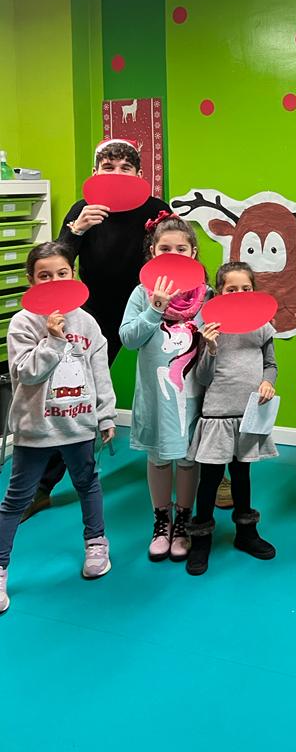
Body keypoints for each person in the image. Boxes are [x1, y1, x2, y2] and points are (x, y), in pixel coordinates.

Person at [23, 139, 169, 520]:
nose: (117, 174)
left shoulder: (155, 209)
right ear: (95, 173)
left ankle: (211, 471)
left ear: (140, 174)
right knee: (75, 394)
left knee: (183, 384)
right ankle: (41, 488)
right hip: (95, 312)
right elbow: (56, 266)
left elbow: (176, 253)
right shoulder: (81, 209)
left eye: (125, 168)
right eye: (109, 167)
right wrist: (76, 230)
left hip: (149, 308)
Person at [0, 242, 116, 615]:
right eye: (44, 275)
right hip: (36, 428)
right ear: (30, 281)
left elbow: (99, 372)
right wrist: (51, 339)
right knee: (16, 498)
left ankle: (96, 543)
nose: (54, 281)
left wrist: (106, 415)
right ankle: (0, 568)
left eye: (61, 273)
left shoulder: (86, 321)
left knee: (87, 483)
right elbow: (26, 373)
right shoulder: (22, 323)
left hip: (78, 424)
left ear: (73, 275)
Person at [119, 214, 207, 563]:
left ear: (193, 252)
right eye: (165, 248)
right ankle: (161, 521)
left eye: (181, 249)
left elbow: (216, 341)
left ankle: (183, 520)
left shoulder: (205, 295)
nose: (173, 254)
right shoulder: (141, 294)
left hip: (192, 395)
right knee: (158, 458)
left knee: (187, 459)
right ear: (153, 252)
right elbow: (128, 339)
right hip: (157, 396)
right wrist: (155, 308)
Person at [185, 262, 278, 575]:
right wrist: (210, 348)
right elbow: (202, 377)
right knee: (210, 479)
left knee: (242, 476)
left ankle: (246, 533)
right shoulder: (210, 327)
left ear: (254, 291)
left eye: (246, 288)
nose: (239, 293)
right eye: (231, 289)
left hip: (248, 415)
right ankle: (201, 538)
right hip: (217, 416)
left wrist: (268, 382)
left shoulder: (262, 326)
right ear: (220, 293)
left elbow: (271, 365)